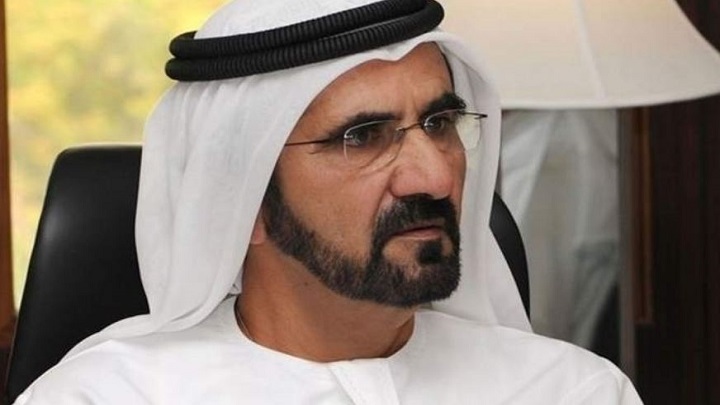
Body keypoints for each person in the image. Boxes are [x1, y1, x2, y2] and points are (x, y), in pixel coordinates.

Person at [15, 0, 642, 403]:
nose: (432, 177)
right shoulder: (109, 396)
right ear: (246, 200)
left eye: (439, 124)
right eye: (361, 137)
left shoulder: (571, 391)